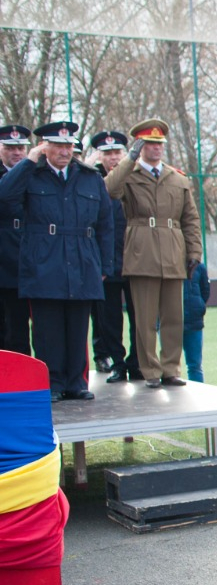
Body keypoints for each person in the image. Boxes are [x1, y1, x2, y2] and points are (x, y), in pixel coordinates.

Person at [0, 122, 114, 400]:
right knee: (47, 330)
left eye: (68, 146)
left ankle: (77, 383)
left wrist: (105, 265)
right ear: (44, 147)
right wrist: (28, 162)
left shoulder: (89, 177)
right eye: (58, 146)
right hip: (43, 262)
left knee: (77, 327)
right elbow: (5, 196)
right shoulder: (31, 174)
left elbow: (105, 224)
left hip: (82, 261)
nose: (65, 151)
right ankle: (53, 383)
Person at [104, 119, 202, 387]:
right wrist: (129, 159)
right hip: (142, 252)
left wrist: (194, 252)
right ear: (140, 145)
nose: (156, 148)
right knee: (144, 319)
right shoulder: (129, 175)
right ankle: (150, 371)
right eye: (149, 143)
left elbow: (190, 219)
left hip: (172, 252)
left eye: (159, 143)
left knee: (173, 317)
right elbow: (109, 189)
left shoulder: (177, 178)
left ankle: (171, 368)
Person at [87, 130, 140, 383]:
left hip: (135, 259)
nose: (113, 158)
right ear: (99, 156)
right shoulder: (92, 180)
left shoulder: (136, 178)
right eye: (107, 153)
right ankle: (117, 363)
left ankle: (137, 363)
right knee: (109, 319)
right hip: (106, 261)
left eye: (117, 152)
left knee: (140, 316)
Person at [0, 124, 32, 355]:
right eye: (10, 148)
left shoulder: (35, 174)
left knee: (21, 327)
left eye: (21, 148)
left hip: (28, 257)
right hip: (3, 257)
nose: (17, 152)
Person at [182, 256, 210, 383]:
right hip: (170, 323)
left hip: (194, 321)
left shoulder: (199, 267)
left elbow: (205, 291)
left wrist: (198, 307)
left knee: (195, 366)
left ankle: (198, 393)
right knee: (170, 368)